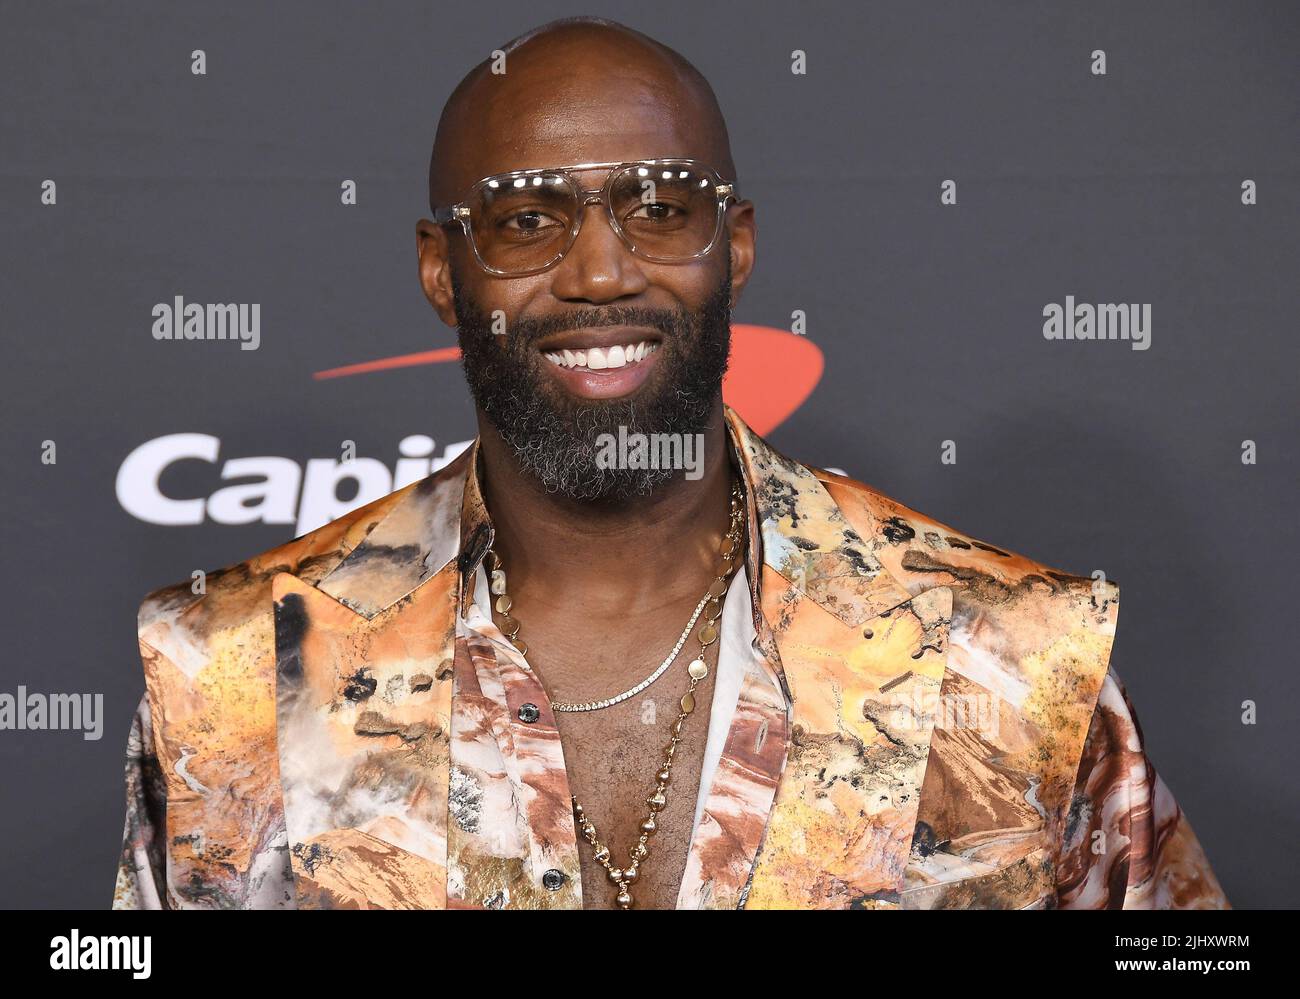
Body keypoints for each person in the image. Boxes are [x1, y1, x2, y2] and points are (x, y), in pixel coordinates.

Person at [113, 17, 1226, 910]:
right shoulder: (233, 674)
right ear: (440, 270)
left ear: (732, 245)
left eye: (658, 209)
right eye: (524, 221)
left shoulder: (1008, 657)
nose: (601, 273)